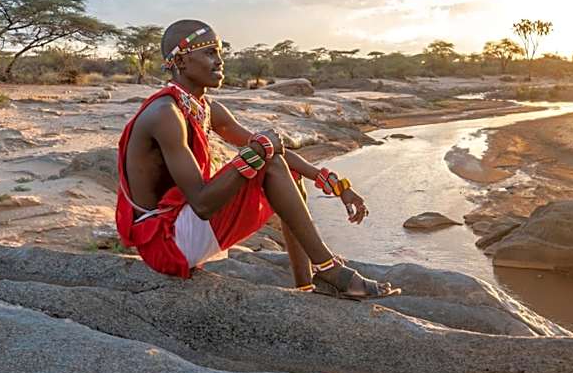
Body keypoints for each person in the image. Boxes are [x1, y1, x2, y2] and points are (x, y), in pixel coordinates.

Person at [115, 19, 399, 299]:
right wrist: (259, 151)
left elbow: (274, 151)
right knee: (269, 163)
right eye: (209, 52)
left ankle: (306, 285)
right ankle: (330, 270)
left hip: (185, 227)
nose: (219, 60)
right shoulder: (166, 113)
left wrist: (336, 184)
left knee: (281, 167)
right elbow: (202, 203)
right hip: (167, 243)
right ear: (181, 62)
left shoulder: (204, 108)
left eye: (219, 52)